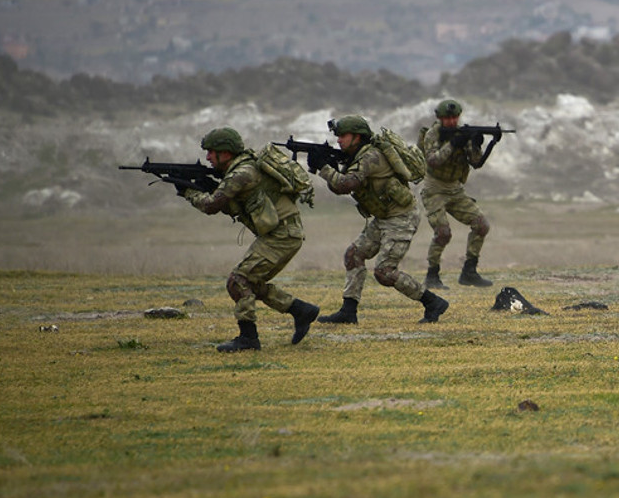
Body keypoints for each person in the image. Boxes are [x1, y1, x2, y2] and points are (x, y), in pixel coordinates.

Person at [182, 127, 320, 352]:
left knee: (238, 281)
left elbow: (211, 206)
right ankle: (301, 311)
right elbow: (233, 203)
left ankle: (248, 338)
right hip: (284, 233)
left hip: (282, 235)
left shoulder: (241, 173)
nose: (207, 157)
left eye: (211, 152)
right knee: (250, 282)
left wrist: (189, 192)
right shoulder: (243, 167)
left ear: (225, 152)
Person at [312, 115, 449, 325]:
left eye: (343, 136)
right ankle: (348, 312)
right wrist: (329, 167)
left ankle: (433, 302)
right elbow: (340, 187)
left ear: (357, 137)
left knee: (385, 272)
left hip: (401, 218)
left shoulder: (370, 157)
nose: (338, 140)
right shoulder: (357, 156)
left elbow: (346, 184)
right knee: (354, 255)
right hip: (385, 217)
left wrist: (324, 167)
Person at [419, 99, 494, 288]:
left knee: (481, 225)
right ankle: (432, 275)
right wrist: (453, 144)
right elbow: (433, 160)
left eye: (454, 118)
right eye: (447, 118)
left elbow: (476, 162)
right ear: (440, 118)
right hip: (434, 189)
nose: (451, 121)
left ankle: (469, 272)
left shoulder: (462, 134)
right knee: (443, 233)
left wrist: (477, 144)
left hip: (455, 190)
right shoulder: (432, 134)